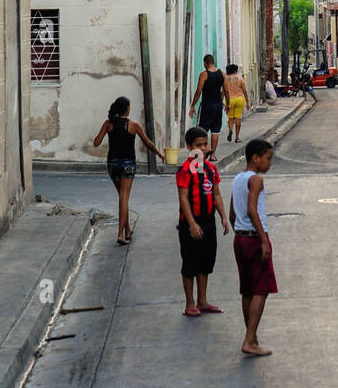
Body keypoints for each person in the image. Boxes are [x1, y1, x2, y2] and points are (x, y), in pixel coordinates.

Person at [230, 138, 278, 357]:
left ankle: (252, 336)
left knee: (247, 289)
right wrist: (263, 240)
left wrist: (239, 231)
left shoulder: (237, 179)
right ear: (255, 158)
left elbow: (233, 214)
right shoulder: (256, 180)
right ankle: (249, 340)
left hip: (240, 239)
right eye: (267, 159)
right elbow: (252, 210)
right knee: (261, 289)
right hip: (253, 238)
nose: (269, 164)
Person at [93, 97, 164, 244]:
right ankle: (120, 234)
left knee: (121, 196)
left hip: (112, 163)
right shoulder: (133, 125)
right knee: (124, 197)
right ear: (127, 108)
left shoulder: (108, 124)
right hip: (128, 164)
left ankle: (127, 230)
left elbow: (96, 142)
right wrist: (160, 154)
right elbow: (148, 143)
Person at [176, 126, 229, 316]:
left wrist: (223, 217)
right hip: (191, 223)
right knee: (191, 262)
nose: (204, 148)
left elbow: (216, 194)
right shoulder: (185, 170)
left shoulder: (211, 169)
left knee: (206, 262)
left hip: (208, 221)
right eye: (199, 145)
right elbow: (183, 199)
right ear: (189, 147)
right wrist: (191, 224)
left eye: (205, 144)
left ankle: (203, 300)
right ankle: (190, 303)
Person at [189, 54, 229, 159]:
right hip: (218, 105)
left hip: (207, 105)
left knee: (202, 130)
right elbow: (226, 90)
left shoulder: (204, 74)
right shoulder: (222, 74)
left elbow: (198, 91)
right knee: (215, 131)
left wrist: (193, 105)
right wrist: (227, 103)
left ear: (205, 63)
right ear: (213, 62)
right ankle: (213, 154)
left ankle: (200, 154)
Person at [224, 63, 251, 144]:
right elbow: (244, 91)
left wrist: (222, 101)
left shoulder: (225, 79)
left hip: (230, 100)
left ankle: (230, 130)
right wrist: (247, 102)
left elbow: (223, 91)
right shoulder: (240, 78)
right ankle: (237, 137)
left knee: (230, 118)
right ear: (235, 70)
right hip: (239, 99)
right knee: (238, 118)